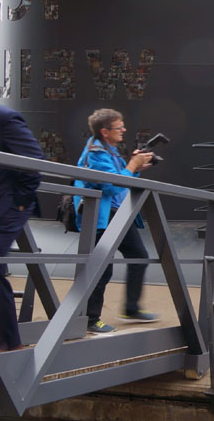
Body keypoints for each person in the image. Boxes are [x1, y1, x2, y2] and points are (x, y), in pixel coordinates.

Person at [73, 109, 158, 333]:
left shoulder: (108, 150)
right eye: (119, 127)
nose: (124, 130)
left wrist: (136, 167)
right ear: (105, 131)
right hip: (101, 217)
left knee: (138, 256)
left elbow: (122, 179)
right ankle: (90, 319)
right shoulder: (95, 153)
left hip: (116, 214)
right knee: (102, 268)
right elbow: (112, 185)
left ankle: (131, 308)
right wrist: (132, 166)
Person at [0, 96, 43, 351]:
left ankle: (5, 343)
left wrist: (21, 202)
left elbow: (32, 161)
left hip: (6, 207)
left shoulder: (1, 118)